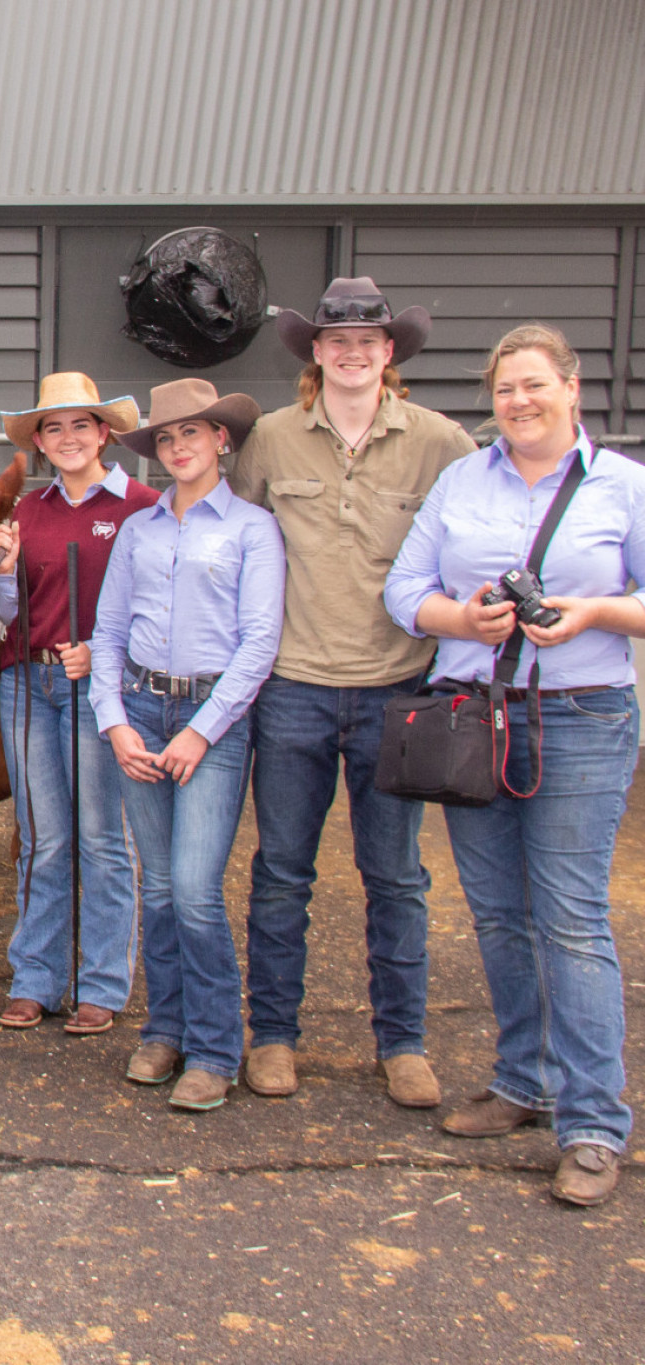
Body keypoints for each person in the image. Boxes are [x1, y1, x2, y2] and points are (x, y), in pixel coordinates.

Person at [385, 323, 642, 1208]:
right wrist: (463, 620)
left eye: (534, 385)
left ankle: (594, 1122)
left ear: (573, 388)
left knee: (569, 917)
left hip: (580, 715)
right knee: (497, 914)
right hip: (475, 717)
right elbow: (404, 589)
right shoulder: (463, 479)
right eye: (504, 390)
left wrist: (594, 612)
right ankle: (522, 1079)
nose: (519, 402)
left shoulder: (621, 487)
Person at [232, 278, 477, 1108]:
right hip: (292, 687)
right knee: (280, 875)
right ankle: (272, 1035)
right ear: (315, 352)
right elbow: (226, 539)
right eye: (337, 339)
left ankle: (402, 1043)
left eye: (368, 339)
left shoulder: (442, 443)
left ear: (389, 352)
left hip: (395, 689)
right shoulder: (269, 439)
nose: (352, 351)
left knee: (397, 876)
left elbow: (479, 543)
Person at [92, 378, 282, 1111]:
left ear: (221, 440)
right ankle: (163, 1026)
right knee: (162, 885)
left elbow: (260, 640)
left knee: (198, 890)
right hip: (141, 705)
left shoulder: (252, 529)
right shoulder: (140, 530)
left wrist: (204, 730)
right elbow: (109, 630)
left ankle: (212, 1045)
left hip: (213, 715)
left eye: (192, 435)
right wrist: (114, 719)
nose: (178, 448)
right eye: (166, 438)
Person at [0, 373, 158, 1035]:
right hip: (30, 680)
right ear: (39, 441)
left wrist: (106, 654)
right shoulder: (28, 514)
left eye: (80, 424)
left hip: (100, 689)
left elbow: (157, 606)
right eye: (53, 428)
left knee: (102, 839)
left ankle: (104, 983)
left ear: (104, 432)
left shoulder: (141, 506)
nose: (68, 437)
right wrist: (3, 572)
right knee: (42, 839)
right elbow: (11, 610)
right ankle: (36, 978)